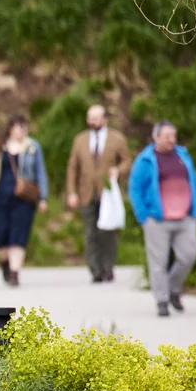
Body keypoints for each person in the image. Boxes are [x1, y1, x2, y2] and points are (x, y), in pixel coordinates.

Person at [128, 121, 196, 317]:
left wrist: (195, 209)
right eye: (167, 135)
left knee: (189, 255)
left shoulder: (183, 155)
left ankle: (173, 288)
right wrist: (143, 216)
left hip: (185, 217)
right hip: (157, 219)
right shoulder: (145, 159)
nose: (171, 139)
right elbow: (135, 189)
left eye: (174, 135)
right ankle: (162, 300)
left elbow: (192, 181)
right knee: (158, 262)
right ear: (156, 137)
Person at [0, 114, 49, 287]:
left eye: (24, 127)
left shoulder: (32, 147)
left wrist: (43, 197)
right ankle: (5, 264)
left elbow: (40, 172)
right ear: (10, 128)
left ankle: (15, 272)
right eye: (19, 127)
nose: (22, 131)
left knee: (18, 235)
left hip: (23, 200)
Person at [63, 104, 130, 284]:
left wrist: (118, 170)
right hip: (86, 192)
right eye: (89, 118)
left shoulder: (117, 139)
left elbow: (126, 161)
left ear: (105, 119)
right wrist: (71, 192)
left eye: (95, 118)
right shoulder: (80, 140)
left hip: (107, 192)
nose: (92, 121)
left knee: (108, 231)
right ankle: (95, 269)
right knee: (90, 232)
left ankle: (108, 267)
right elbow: (72, 168)